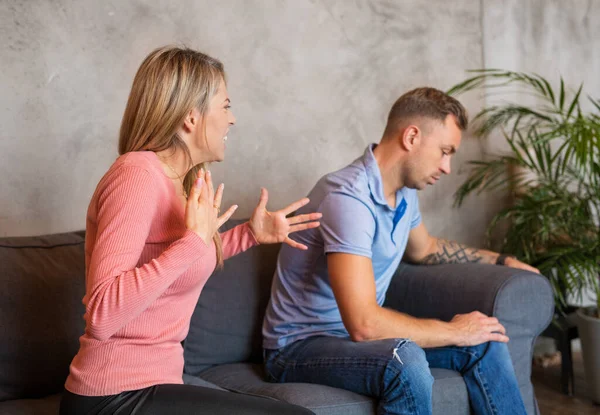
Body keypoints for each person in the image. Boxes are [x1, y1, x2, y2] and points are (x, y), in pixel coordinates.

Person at [59, 46, 320, 415]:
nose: (232, 119)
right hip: (113, 397)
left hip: (160, 386)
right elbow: (102, 314)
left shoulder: (181, 183)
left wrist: (248, 234)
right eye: (225, 106)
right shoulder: (136, 175)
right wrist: (192, 242)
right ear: (190, 118)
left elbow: (178, 261)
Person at [262, 87, 541, 415]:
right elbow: (364, 324)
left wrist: (501, 260)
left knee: (485, 341)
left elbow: (426, 249)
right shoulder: (348, 200)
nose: (448, 167)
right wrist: (454, 330)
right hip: (296, 349)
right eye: (444, 151)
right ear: (411, 137)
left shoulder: (404, 194)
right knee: (402, 360)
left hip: (350, 341)